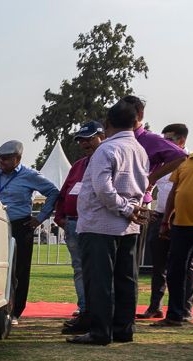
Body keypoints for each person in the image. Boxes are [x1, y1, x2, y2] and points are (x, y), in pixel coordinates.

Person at [67, 101, 149, 345]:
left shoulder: (106, 149)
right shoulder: (140, 150)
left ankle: (100, 331)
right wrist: (131, 209)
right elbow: (143, 185)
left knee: (100, 280)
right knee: (126, 278)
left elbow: (103, 188)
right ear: (135, 123)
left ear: (107, 123)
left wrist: (123, 208)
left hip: (101, 224)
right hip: (129, 224)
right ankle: (123, 329)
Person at [0, 140, 60, 325]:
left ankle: (15, 311)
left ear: (18, 158)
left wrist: (40, 218)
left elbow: (53, 192)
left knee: (19, 270)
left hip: (20, 226)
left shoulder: (30, 175)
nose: (1, 162)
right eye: (0, 158)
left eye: (6, 159)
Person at [152, 119, 193, 330]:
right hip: (181, 225)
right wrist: (166, 220)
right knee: (175, 271)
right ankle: (175, 315)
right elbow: (174, 193)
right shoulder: (186, 160)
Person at [138, 124, 193, 320]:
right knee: (158, 265)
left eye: (169, 140)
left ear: (182, 141)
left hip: (182, 219)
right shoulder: (163, 163)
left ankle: (184, 310)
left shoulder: (191, 162)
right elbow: (151, 189)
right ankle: (155, 306)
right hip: (159, 216)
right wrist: (149, 210)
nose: (165, 144)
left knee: (186, 266)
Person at [55, 121, 105, 334]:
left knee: (98, 269)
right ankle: (85, 310)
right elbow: (64, 191)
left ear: (102, 136)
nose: (85, 143)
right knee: (79, 268)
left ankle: (98, 312)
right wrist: (60, 217)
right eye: (82, 139)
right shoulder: (78, 165)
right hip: (73, 223)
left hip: (95, 223)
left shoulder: (106, 160)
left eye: (90, 138)